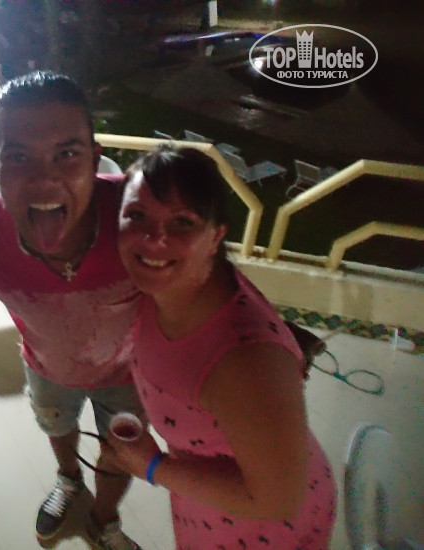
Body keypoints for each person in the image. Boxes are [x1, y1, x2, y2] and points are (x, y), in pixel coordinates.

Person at [0, 71, 144, 550]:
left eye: (67, 154)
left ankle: (103, 518)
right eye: (18, 157)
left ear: (95, 159)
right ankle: (69, 480)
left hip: (133, 372)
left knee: (123, 452)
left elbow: (205, 275)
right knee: (57, 425)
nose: (45, 179)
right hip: (46, 367)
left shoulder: (140, 216)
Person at [104, 144, 337, 549]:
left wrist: (152, 466)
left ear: (216, 236)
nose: (154, 239)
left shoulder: (245, 361)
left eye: (182, 222)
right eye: (137, 216)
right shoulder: (164, 286)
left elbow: (278, 501)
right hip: (204, 502)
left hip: (260, 529)